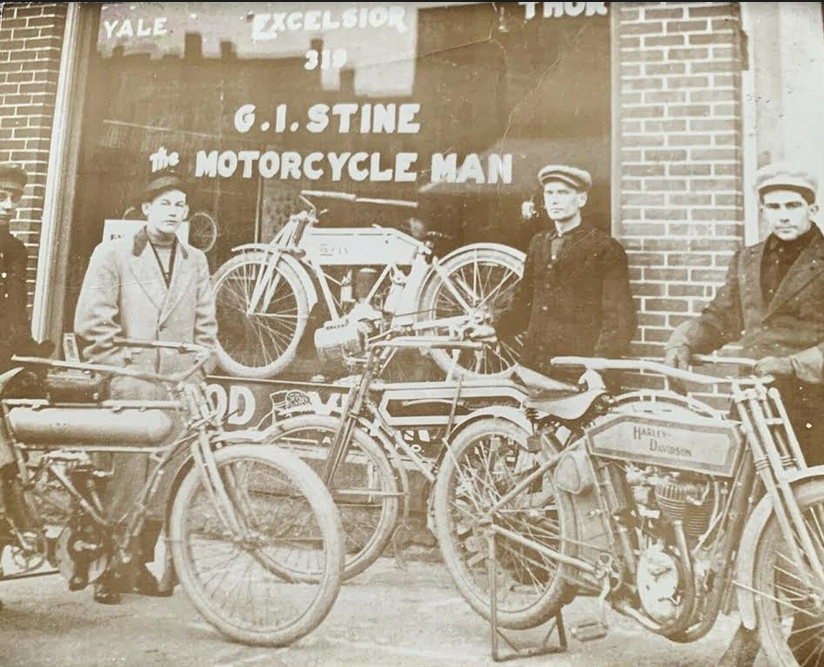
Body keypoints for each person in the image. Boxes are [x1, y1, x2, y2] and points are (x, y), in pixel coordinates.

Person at [664, 162, 824, 666]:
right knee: (746, 519)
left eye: (793, 205)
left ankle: (806, 637)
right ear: (763, 210)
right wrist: (688, 338)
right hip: (755, 407)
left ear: (813, 207)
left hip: (810, 410)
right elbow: (722, 316)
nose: (783, 215)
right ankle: (753, 631)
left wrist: (793, 364)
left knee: (806, 526)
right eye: (773, 206)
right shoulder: (747, 259)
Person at [74, 167, 217, 604]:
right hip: (132, 389)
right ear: (146, 209)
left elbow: (206, 329)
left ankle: (138, 565)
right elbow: (93, 323)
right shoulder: (112, 254)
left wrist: (196, 372)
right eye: (165, 204)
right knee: (124, 479)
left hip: (177, 390)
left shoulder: (195, 261)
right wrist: (121, 373)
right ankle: (108, 569)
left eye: (181, 205)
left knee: (165, 481)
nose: (173, 212)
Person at [492, 164, 637, 381]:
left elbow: (619, 318)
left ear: (581, 199)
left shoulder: (605, 248)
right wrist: (495, 329)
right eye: (549, 193)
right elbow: (524, 303)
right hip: (534, 367)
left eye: (563, 193)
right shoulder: (539, 243)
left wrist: (598, 367)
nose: (554, 200)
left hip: (579, 371)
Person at [0, 164, 53, 611]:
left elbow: (15, 318)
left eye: (14, 197)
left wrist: (32, 356)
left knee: (7, 473)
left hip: (3, 372)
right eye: (1, 195)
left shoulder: (15, 249)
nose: (9, 204)